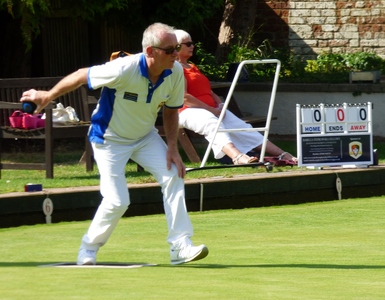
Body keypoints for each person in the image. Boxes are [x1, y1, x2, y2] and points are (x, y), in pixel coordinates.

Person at [20, 23, 208, 266]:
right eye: (170, 49)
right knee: (118, 201)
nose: (176, 54)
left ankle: (180, 246)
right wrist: (46, 97)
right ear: (150, 51)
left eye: (177, 48)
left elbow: (171, 112)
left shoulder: (176, 73)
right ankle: (88, 247)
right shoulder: (122, 69)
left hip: (145, 137)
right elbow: (80, 75)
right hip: (109, 140)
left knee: (174, 175)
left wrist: (172, 147)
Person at [175, 29, 297, 165]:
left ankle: (282, 154)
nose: (192, 46)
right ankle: (237, 156)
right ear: (176, 47)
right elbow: (184, 97)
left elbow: (209, 91)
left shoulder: (192, 66)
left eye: (192, 43)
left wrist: (220, 104)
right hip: (186, 111)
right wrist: (211, 110)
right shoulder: (175, 68)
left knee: (241, 126)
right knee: (211, 122)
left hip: (211, 109)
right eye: (188, 44)